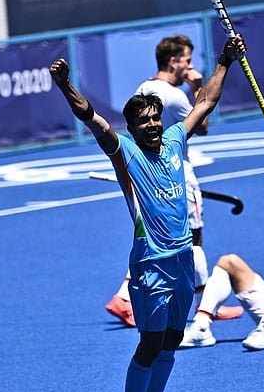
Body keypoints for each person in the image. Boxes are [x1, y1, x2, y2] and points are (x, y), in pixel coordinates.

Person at [49, 34, 246, 392]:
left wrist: (225, 62)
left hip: (180, 264)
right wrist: (66, 86)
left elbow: (205, 104)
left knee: (173, 341)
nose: (153, 125)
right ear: (134, 128)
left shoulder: (175, 141)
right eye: (145, 122)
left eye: (156, 118)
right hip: (150, 266)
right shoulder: (127, 155)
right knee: (149, 344)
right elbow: (93, 119)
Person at [104, 34, 243, 327]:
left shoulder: (144, 88)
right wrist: (196, 86)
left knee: (157, 238)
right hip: (179, 174)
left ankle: (128, 297)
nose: (190, 66)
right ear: (173, 61)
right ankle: (206, 306)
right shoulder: (175, 95)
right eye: (187, 61)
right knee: (192, 240)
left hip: (149, 174)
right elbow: (202, 124)